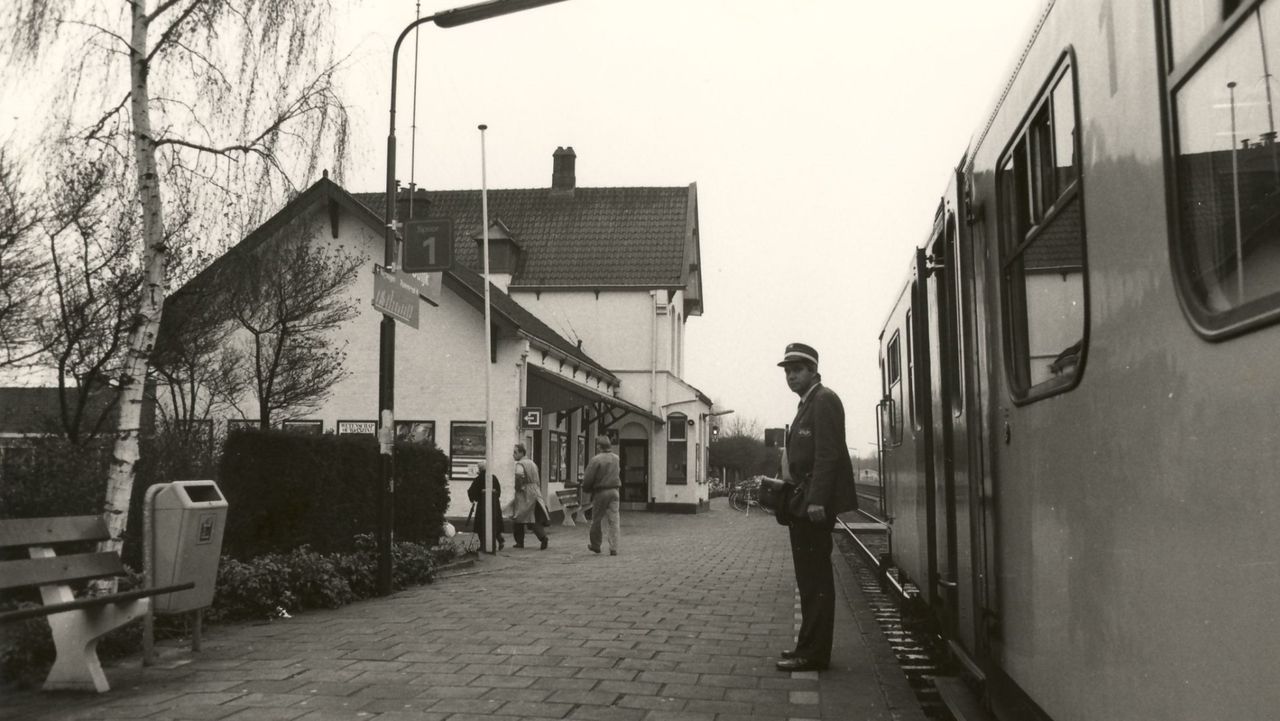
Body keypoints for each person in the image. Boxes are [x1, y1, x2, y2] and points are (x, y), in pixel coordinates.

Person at [775, 342, 857, 673]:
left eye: (797, 370)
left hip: (813, 505)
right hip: (803, 502)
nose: (791, 376)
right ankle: (807, 647)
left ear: (813, 371)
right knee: (809, 582)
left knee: (815, 582)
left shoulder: (824, 401)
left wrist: (818, 500)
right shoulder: (807, 403)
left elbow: (828, 454)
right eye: (787, 372)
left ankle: (814, 653)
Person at [581, 436, 621, 556]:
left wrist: (586, 489)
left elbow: (589, 477)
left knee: (596, 519)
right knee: (614, 520)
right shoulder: (616, 458)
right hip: (615, 491)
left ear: (599, 446)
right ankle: (614, 547)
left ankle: (596, 545)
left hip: (601, 492)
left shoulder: (596, 459)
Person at [511, 443, 550, 549]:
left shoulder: (520, 464)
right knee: (533, 518)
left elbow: (519, 478)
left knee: (518, 516)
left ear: (521, 453)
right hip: (535, 491)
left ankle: (519, 542)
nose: (513, 455)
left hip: (525, 493)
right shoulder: (532, 463)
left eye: (515, 452)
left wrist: (518, 488)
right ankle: (543, 537)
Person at [467, 462, 505, 551]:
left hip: (482, 506)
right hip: (494, 505)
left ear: (480, 469)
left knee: (482, 525)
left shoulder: (478, 479)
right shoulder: (493, 478)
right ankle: (499, 539)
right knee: (494, 523)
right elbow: (499, 492)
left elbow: (471, 492)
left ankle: (484, 545)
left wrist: (474, 499)